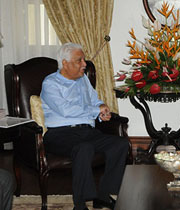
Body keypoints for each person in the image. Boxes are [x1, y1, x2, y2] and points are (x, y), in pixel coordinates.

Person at [41, 42, 129, 210]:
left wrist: (102, 109)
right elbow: (66, 110)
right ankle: (79, 205)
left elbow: (94, 100)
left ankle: (103, 196)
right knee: (84, 148)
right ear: (65, 63)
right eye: (79, 61)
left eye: (84, 60)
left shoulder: (83, 80)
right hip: (59, 134)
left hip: (86, 131)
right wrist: (94, 110)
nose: (84, 64)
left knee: (120, 144)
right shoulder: (50, 83)